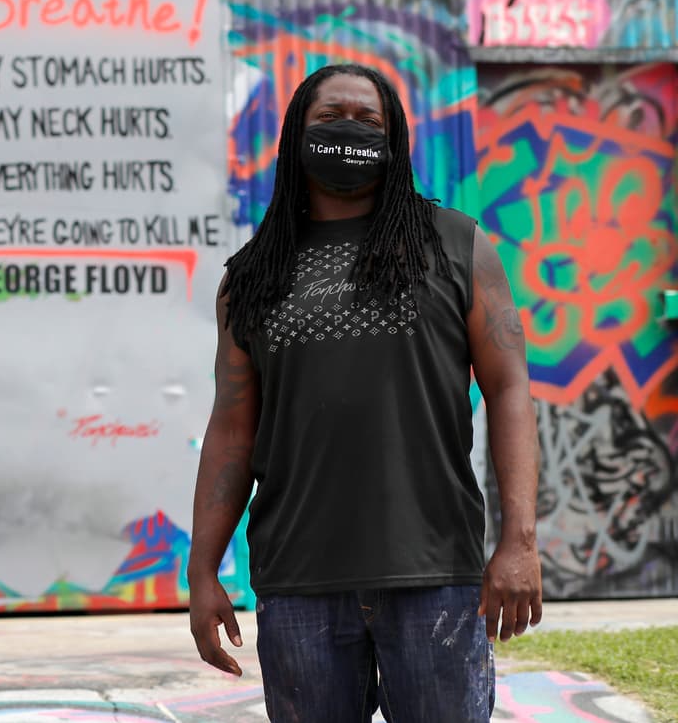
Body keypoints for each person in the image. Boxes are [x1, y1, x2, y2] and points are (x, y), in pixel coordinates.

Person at [187, 63, 542, 721]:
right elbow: (233, 428)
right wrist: (202, 570)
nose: (348, 130)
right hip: (299, 582)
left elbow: (510, 388)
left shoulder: (455, 246)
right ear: (297, 135)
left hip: (433, 573)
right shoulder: (251, 277)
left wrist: (519, 539)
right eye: (329, 118)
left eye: (367, 120)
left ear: (393, 138)